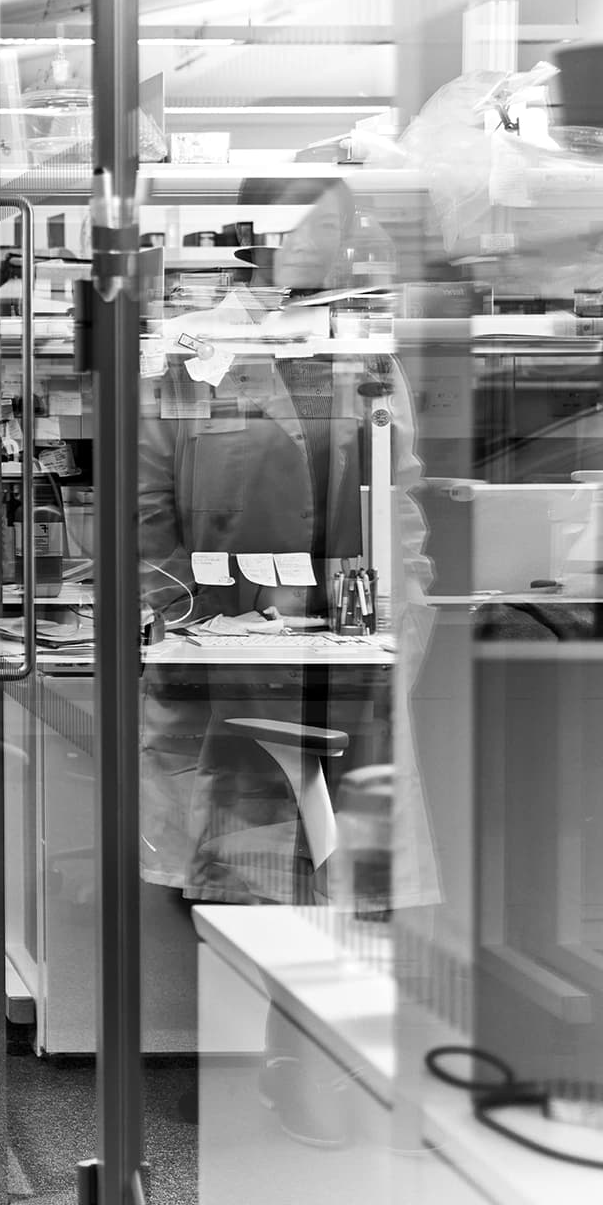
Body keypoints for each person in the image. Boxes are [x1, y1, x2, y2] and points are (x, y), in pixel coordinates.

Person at [138, 177, 439, 909]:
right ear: (257, 237)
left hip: (346, 648)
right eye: (302, 227)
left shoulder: (363, 353)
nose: (319, 246)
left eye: (332, 230)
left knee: (352, 896)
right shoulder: (190, 350)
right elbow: (145, 505)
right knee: (235, 891)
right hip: (224, 648)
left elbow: (398, 498)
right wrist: (181, 624)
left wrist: (405, 610)